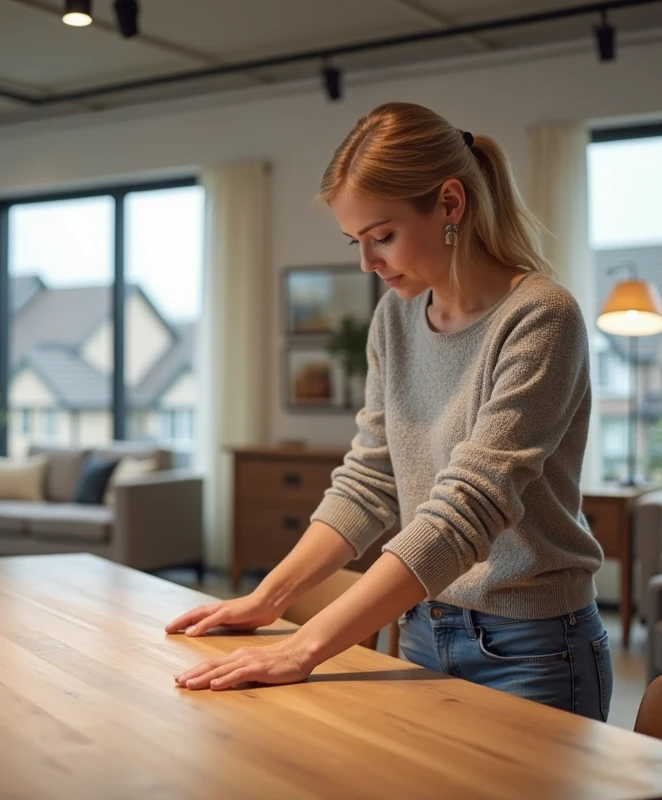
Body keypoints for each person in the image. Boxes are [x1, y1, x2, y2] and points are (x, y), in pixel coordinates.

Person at [167, 102, 612, 722]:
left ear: (450, 205)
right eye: (357, 241)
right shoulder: (396, 320)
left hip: (533, 648)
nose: (366, 263)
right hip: (423, 628)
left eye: (383, 236)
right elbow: (371, 478)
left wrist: (305, 646)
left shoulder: (541, 318)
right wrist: (268, 598)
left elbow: (468, 508)